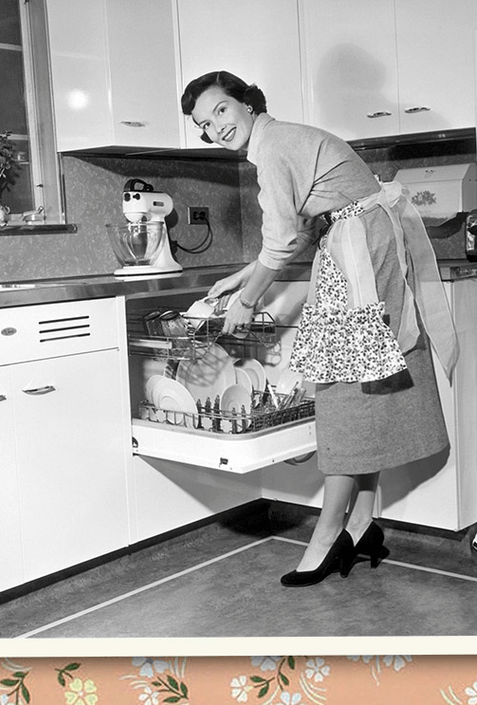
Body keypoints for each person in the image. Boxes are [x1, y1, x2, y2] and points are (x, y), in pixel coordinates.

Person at [181, 70, 459, 587]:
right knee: (364, 388)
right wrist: (242, 276)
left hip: (358, 251)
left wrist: (247, 299)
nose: (215, 127)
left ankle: (329, 534)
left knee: (341, 395)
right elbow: (302, 227)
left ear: (245, 103)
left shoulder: (275, 146)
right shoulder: (282, 140)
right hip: (359, 244)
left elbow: (284, 238)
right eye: (203, 124)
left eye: (220, 111)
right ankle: (361, 522)